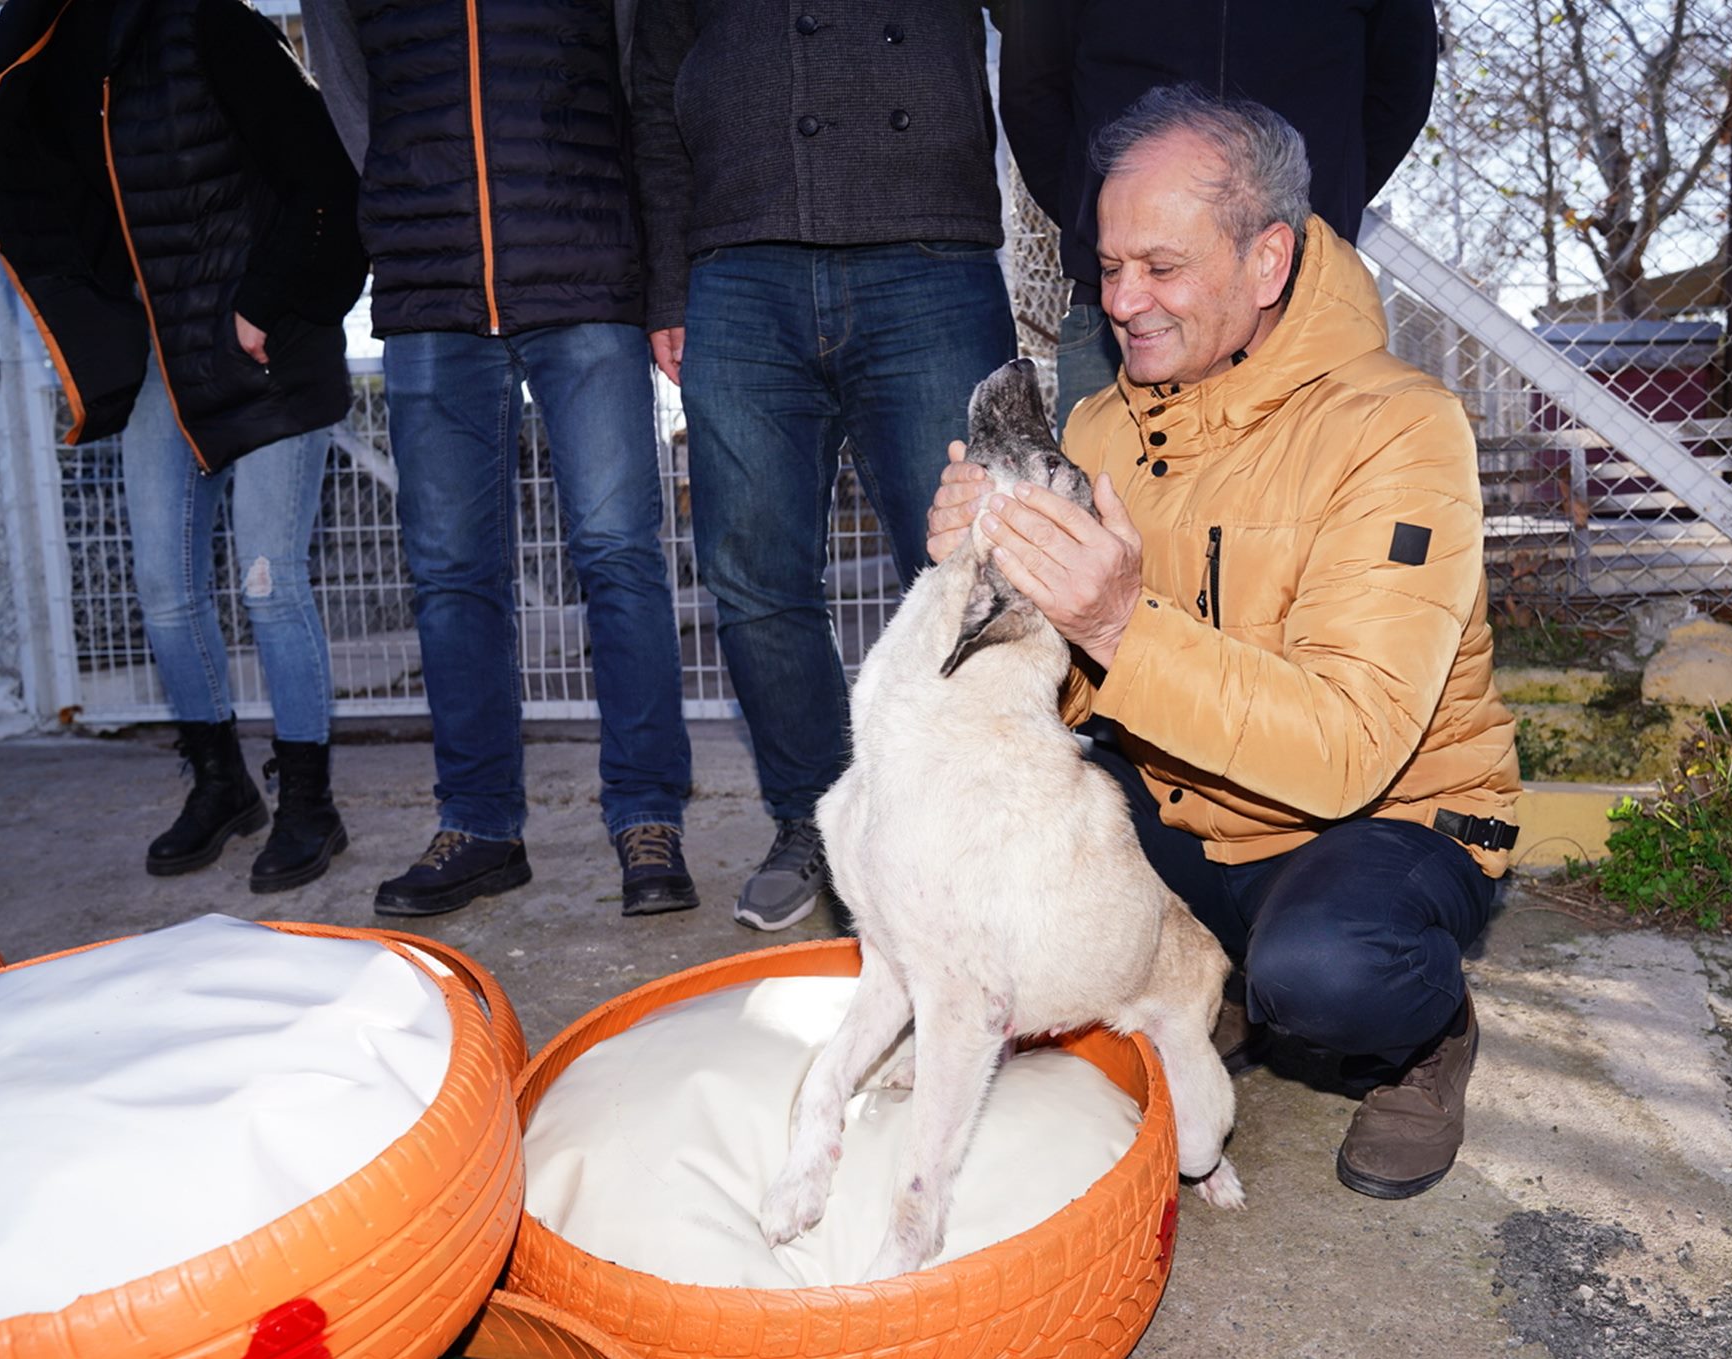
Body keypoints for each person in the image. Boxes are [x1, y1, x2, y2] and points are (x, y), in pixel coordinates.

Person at [929, 87, 1521, 1199]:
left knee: (1327, 973)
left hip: (1378, 817)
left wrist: (1112, 618)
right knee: (989, 824)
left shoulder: (1398, 425)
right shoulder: (1103, 423)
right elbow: (1068, 706)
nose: (1122, 301)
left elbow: (1346, 748)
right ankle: (1207, 964)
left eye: (1160, 266)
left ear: (1267, 261)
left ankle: (1425, 1033)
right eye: (1107, 269)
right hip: (1191, 802)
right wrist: (995, 569)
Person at [303, 0, 698, 920]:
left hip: (587, 268)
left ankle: (648, 818)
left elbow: (638, 79)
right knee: (449, 574)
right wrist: (416, 199)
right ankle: (479, 826)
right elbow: (356, 102)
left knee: (620, 556)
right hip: (431, 285)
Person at [630, 0, 1020, 932]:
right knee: (753, 572)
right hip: (737, 259)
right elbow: (653, 88)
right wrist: (666, 285)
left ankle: (959, 824)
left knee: (971, 564)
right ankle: (812, 814)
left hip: (929, 244)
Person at [0, 0, 367, 893]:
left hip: (266, 342)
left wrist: (267, 303)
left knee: (269, 580)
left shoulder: (209, 25)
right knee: (162, 586)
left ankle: (310, 800)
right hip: (165, 355)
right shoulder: (61, 56)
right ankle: (221, 784)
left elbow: (324, 177)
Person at [997, 0, 1439, 427]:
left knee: (1316, 499)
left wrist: (1305, 208)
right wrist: (1109, 225)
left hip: (1302, 299)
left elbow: (1401, 88)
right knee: (1104, 494)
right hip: (1117, 316)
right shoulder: (1126, 288)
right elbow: (1031, 88)